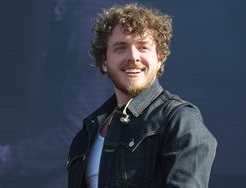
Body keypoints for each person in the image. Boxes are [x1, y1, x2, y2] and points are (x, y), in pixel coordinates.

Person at [67, 3, 217, 188]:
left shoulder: (179, 119)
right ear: (105, 62)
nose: (133, 56)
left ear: (159, 58)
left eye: (143, 47)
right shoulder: (87, 133)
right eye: (121, 48)